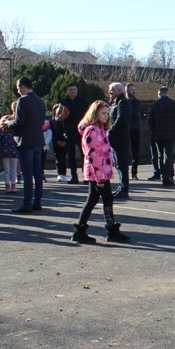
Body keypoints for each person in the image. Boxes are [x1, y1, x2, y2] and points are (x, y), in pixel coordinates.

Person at [71, 101, 129, 244]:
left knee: (93, 200)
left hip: (100, 172)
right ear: (95, 113)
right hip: (97, 173)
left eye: (107, 113)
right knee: (107, 199)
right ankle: (111, 231)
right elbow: (93, 156)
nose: (106, 116)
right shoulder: (92, 130)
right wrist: (100, 177)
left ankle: (81, 231)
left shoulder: (100, 129)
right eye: (103, 113)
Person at [1, 77, 45, 213]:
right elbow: (41, 121)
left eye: (18, 88)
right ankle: (37, 202)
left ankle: (27, 204)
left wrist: (7, 124)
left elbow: (19, 121)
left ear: (23, 87)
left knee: (27, 174)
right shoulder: (40, 101)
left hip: (25, 140)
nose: (18, 91)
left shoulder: (23, 100)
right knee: (38, 173)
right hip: (38, 140)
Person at [147, 86, 175, 186]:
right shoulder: (174, 104)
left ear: (159, 94)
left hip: (158, 133)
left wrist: (152, 131)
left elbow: (149, 121)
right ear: (167, 93)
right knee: (168, 154)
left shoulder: (154, 105)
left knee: (160, 155)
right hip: (171, 133)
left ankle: (163, 174)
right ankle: (167, 176)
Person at [60, 83, 88, 183]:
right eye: (70, 89)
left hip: (82, 132)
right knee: (71, 156)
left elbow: (88, 115)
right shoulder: (63, 102)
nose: (72, 91)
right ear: (67, 91)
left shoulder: (83, 101)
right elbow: (58, 117)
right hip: (69, 132)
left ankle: (86, 176)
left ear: (77, 90)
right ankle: (74, 177)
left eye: (74, 89)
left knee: (84, 154)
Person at [107, 82, 130, 200]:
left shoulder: (122, 102)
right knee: (118, 164)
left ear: (119, 90)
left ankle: (124, 189)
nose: (109, 92)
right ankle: (121, 187)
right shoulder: (116, 102)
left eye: (111, 90)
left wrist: (110, 132)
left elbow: (121, 119)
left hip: (120, 138)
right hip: (116, 139)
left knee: (122, 164)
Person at [0, 111, 19, 193]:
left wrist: (1, 151)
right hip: (12, 153)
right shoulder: (13, 133)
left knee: (9, 170)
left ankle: (10, 186)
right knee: (11, 170)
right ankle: (10, 186)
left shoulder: (3, 133)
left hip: (7, 153)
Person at [125, 83, 142, 180]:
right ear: (126, 90)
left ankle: (134, 173)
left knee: (135, 152)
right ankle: (125, 172)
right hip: (125, 130)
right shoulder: (123, 101)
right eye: (132, 90)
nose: (134, 91)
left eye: (134, 90)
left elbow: (134, 113)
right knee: (125, 152)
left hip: (135, 129)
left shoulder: (137, 102)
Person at [50, 104, 70, 181]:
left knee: (63, 157)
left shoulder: (65, 121)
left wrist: (65, 141)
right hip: (56, 142)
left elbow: (67, 131)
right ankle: (59, 173)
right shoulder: (52, 121)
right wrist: (57, 141)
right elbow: (53, 132)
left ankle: (64, 174)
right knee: (57, 158)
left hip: (64, 142)